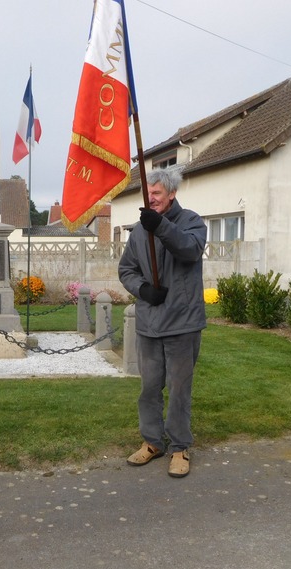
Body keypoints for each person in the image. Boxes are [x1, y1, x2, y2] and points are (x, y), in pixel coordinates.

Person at [118, 169, 207, 478]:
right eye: (148, 193)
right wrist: (143, 290)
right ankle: (152, 441)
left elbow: (189, 250)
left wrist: (162, 227)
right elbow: (127, 269)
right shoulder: (139, 231)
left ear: (171, 194)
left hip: (182, 323)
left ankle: (180, 447)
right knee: (149, 388)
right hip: (150, 322)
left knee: (179, 389)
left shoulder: (192, 222)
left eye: (157, 193)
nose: (151, 198)